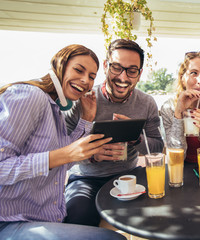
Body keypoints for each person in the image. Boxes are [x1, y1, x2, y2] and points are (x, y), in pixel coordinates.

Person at [0, 44, 125, 240]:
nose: (85, 81)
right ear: (60, 64)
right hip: (9, 222)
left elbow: (64, 161)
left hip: (42, 220)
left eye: (92, 76)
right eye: (78, 70)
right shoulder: (31, 96)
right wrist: (62, 155)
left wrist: (87, 118)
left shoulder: (54, 108)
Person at [64, 39, 164, 226]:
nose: (123, 78)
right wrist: (91, 155)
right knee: (77, 218)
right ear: (105, 66)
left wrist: (136, 138)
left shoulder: (147, 102)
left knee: (159, 211)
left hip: (130, 174)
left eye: (132, 71)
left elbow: (158, 147)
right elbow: (60, 151)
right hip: (86, 178)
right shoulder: (81, 98)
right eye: (116, 67)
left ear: (139, 74)